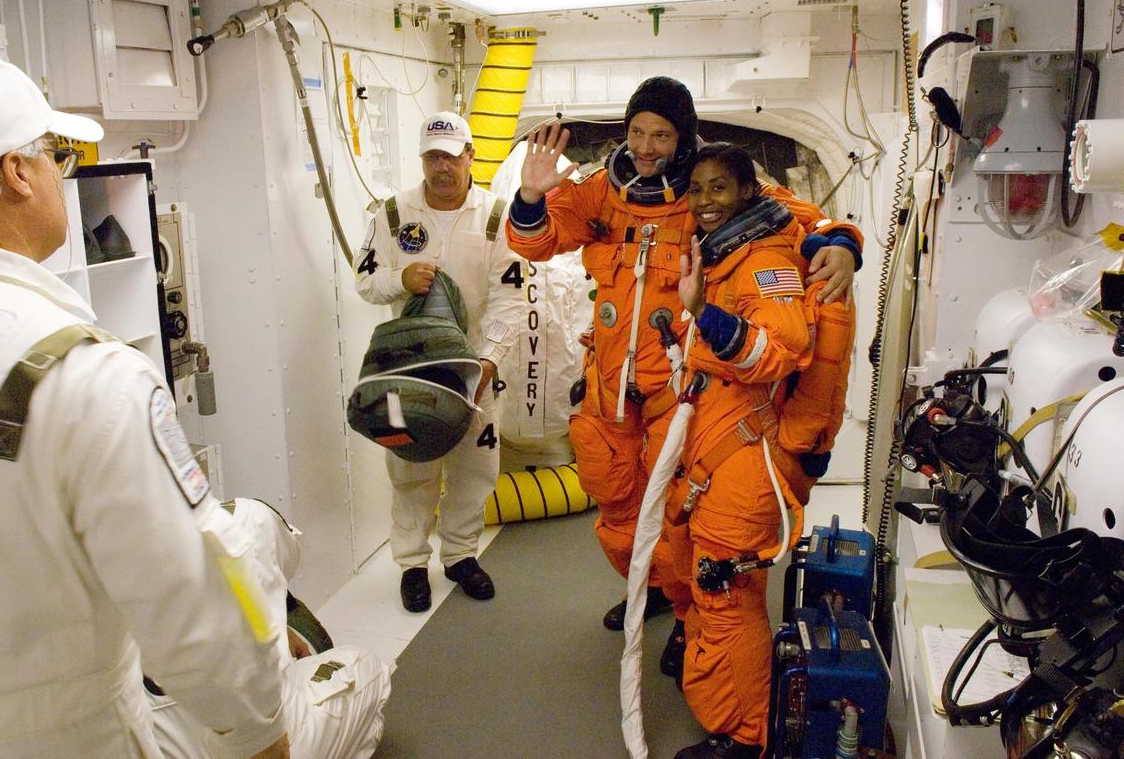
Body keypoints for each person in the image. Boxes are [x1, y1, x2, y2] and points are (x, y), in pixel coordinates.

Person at [0, 51, 289, 759]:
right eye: (53, 156)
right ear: (18, 174)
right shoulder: (83, 375)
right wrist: (264, 732)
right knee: (346, 681)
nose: (58, 173)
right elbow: (199, 617)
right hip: (61, 738)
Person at [507, 77, 862, 676]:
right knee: (619, 509)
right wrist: (531, 195)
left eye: (662, 134)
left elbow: (801, 219)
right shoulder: (600, 191)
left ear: (683, 137)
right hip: (612, 385)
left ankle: (688, 614)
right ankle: (648, 591)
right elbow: (533, 242)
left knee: (677, 515)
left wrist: (845, 246)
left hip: (680, 390)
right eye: (638, 131)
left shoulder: (707, 189)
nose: (646, 147)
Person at [668, 143, 825, 759]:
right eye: (698, 189)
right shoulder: (724, 248)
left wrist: (704, 314)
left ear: (749, 192)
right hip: (719, 446)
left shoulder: (764, 260)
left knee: (729, 598)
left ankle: (745, 737)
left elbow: (779, 352)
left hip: (748, 455)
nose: (706, 202)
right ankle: (727, 714)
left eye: (720, 189)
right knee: (713, 591)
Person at [354, 111, 526, 612]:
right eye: (432, 157)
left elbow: (511, 300)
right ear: (422, 160)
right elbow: (365, 280)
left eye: (451, 156)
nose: (441, 167)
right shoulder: (391, 215)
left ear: (469, 156)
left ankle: (460, 556)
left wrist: (487, 362)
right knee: (411, 470)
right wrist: (400, 280)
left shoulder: (497, 218)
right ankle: (412, 563)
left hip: (475, 371)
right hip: (409, 374)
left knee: (475, 469)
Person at [150, 499, 391, 759]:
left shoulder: (121, 580)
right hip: (261, 741)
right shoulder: (249, 521)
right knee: (366, 666)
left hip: (160, 737)